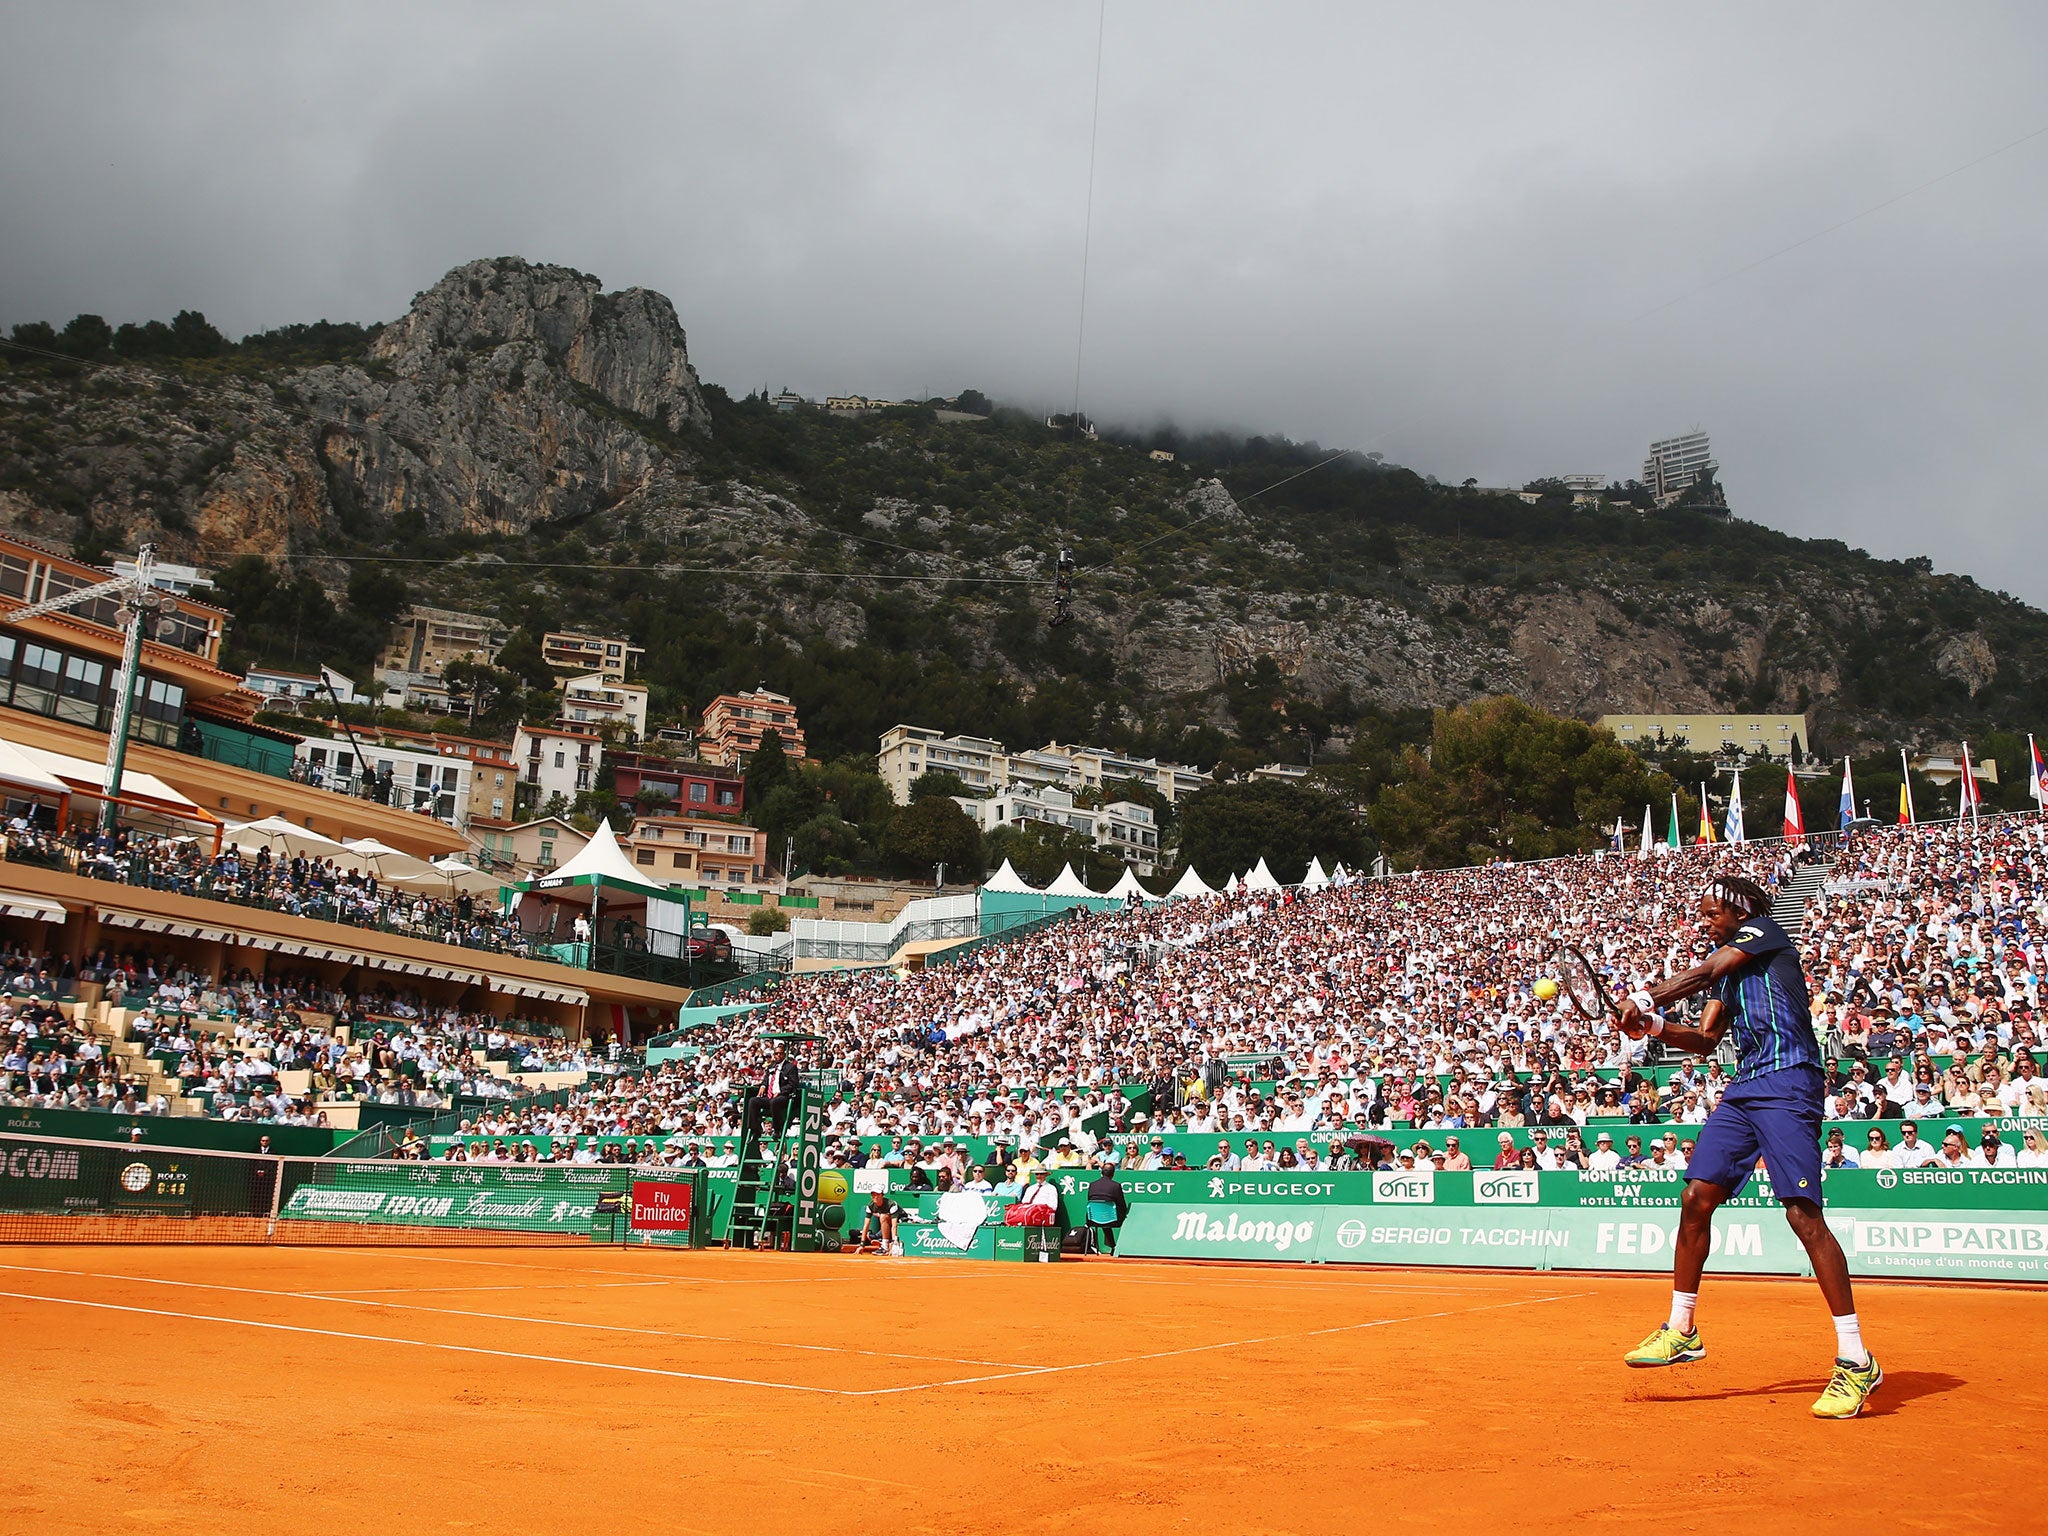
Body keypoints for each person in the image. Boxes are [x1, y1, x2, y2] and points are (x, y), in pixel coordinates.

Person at [1616, 874, 1881, 1419]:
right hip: (1745, 1086)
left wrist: (1644, 996)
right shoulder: (1728, 974)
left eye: (1714, 913)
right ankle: (1682, 1327)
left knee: (1803, 1215)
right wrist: (1656, 1026)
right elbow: (1707, 1040)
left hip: (1790, 1080)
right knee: (1696, 1198)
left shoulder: (1767, 932)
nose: (1707, 921)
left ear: (1742, 911)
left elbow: (1711, 968)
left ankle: (1856, 1361)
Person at [1086, 1163, 1129, 1255]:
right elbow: (1122, 1205)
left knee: (1104, 1216)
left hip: (1093, 1220)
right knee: (1122, 1217)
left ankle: (1113, 1246)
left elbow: (1090, 1201)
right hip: (1113, 1220)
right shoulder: (1116, 1186)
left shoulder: (1092, 1185)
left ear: (1101, 1172)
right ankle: (1121, 1247)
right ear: (1113, 1174)